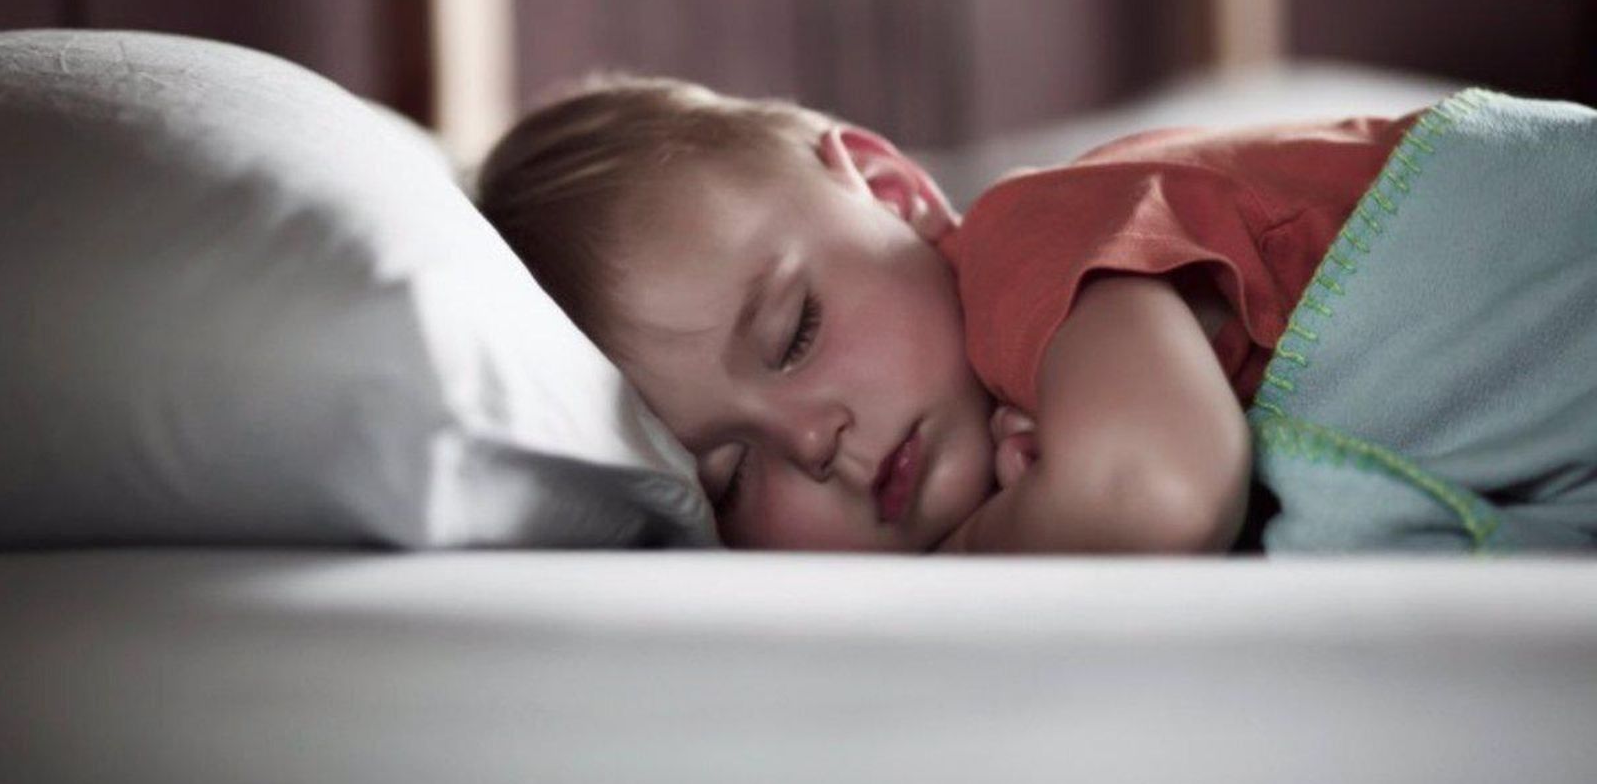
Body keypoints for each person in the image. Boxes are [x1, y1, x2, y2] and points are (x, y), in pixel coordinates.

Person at [476, 74, 1419, 553]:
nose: (809, 441)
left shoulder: (1030, 241)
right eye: (729, 481)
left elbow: (1153, 492)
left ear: (891, 193)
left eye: (795, 334)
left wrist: (976, 552)